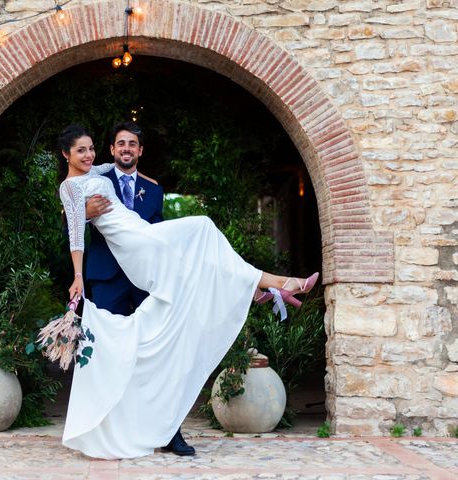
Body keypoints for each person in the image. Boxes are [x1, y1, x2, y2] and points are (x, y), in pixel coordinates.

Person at [57, 125, 318, 460]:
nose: (89, 155)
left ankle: (256, 285)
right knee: (113, 345)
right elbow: (74, 231)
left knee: (198, 248)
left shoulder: (111, 173)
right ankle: (265, 284)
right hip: (123, 258)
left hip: (143, 240)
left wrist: (112, 175)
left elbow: (118, 168)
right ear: (66, 154)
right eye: (81, 150)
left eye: (92, 148)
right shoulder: (70, 186)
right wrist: (78, 273)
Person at [83, 122, 195, 456]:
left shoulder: (154, 189)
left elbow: (158, 237)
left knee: (157, 354)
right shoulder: (95, 183)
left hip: (146, 283)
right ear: (112, 150)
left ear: (140, 151)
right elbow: (69, 219)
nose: (127, 149)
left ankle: (169, 432)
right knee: (103, 353)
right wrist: (84, 213)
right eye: (121, 144)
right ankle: (100, 433)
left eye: (133, 143)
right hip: (107, 278)